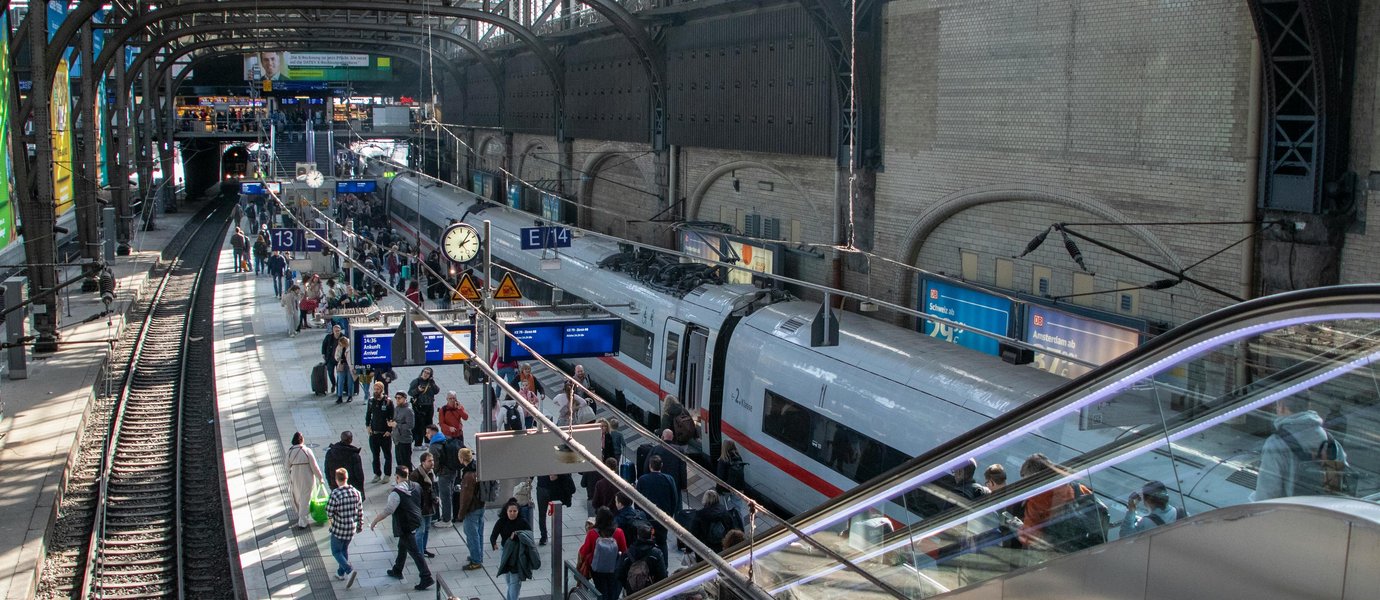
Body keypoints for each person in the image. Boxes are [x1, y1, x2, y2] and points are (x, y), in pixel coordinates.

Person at [1255, 396, 1349, 500]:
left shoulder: (1275, 444)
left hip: (1295, 509)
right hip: (1326, 508)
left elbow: (1266, 495)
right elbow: (1343, 481)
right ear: (1308, 405)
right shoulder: (1330, 441)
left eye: (1276, 405)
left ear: (1281, 406)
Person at [369, 467, 434, 591]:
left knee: (415, 552)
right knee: (402, 546)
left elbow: (388, 510)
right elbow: (421, 502)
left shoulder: (396, 493)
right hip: (415, 520)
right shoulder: (416, 486)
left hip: (404, 525)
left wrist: (375, 521)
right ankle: (397, 569)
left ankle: (426, 576)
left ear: (397, 476)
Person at [635, 454, 680, 559]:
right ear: (662, 465)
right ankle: (664, 564)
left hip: (647, 518)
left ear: (650, 466)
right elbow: (675, 498)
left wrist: (639, 515)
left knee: (646, 541)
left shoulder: (642, 480)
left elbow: (637, 500)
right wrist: (670, 514)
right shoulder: (669, 479)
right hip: (663, 517)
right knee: (662, 542)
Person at [578, 507, 628, 600]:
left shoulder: (592, 533)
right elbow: (624, 550)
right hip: (613, 567)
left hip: (597, 568)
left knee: (601, 590)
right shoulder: (619, 532)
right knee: (612, 590)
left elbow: (584, 552)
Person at [325, 467, 363, 587]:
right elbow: (360, 511)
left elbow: (329, 511)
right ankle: (340, 573)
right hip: (351, 529)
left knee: (336, 551)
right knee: (344, 549)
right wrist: (360, 525)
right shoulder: (356, 492)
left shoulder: (335, 493)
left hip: (338, 529)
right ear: (347, 478)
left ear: (337, 479)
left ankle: (349, 570)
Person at [494, 500, 538, 600]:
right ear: (506, 511)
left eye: (515, 511)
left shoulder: (522, 522)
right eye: (510, 511)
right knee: (509, 580)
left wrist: (518, 536)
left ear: (518, 511)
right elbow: (494, 534)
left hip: (517, 552)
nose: (512, 513)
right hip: (505, 551)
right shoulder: (502, 521)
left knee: (514, 580)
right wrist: (494, 543)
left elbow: (529, 536)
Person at [456, 447, 487, 570]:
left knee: (471, 535)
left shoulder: (468, 475)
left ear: (461, 458)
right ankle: (478, 555)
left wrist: (461, 513)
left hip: (472, 508)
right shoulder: (477, 468)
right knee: (479, 533)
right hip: (481, 505)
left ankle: (476, 560)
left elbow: (466, 497)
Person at [285, 432, 324, 529]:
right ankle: (302, 521)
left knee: (298, 497)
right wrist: (320, 477)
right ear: (302, 440)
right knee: (305, 498)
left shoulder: (290, 451)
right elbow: (315, 466)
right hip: (307, 477)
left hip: (295, 477)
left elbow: (286, 466)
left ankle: (301, 516)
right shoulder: (307, 450)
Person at [619, 523, 667, 595]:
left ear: (638, 536)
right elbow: (662, 575)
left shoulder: (628, 553)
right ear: (651, 536)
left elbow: (620, 574)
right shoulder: (656, 553)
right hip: (651, 590)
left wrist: (628, 585)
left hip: (631, 591)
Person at [411, 451, 440, 558]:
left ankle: (423, 549)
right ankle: (419, 553)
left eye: (432, 460)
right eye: (429, 461)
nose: (432, 463)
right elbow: (412, 492)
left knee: (427, 528)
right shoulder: (415, 475)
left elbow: (432, 488)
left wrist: (435, 497)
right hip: (420, 507)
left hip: (428, 506)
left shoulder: (430, 472)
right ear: (423, 462)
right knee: (420, 530)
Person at [324, 431, 366, 501]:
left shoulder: (330, 453)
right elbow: (359, 474)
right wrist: (361, 490)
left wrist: (330, 484)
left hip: (335, 485)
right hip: (351, 488)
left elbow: (327, 470)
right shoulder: (354, 456)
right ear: (350, 440)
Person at [691, 489, 736, 554]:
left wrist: (688, 549)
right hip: (724, 544)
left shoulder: (700, 514)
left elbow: (694, 533)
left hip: (706, 548)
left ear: (705, 500)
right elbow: (731, 527)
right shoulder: (724, 511)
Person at [535, 472, 575, 545]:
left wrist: (558, 475)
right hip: (543, 487)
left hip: (553, 487)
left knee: (555, 512)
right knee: (542, 514)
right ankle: (544, 536)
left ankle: (553, 535)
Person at [365, 383, 394, 481]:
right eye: (374, 389)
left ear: (382, 390)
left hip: (385, 434)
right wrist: (368, 426)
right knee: (375, 456)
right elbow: (368, 414)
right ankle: (377, 474)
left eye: (378, 389)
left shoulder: (388, 402)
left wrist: (389, 430)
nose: (375, 391)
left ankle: (387, 474)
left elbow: (392, 417)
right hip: (374, 433)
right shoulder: (371, 401)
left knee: (387, 455)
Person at [647, 429, 688, 496]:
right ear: (672, 437)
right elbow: (683, 469)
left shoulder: (655, 449)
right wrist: (684, 486)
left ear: (662, 437)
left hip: (658, 482)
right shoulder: (679, 450)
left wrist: (647, 479)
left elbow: (647, 465)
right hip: (675, 484)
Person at [408, 368, 441, 448]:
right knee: (419, 425)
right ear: (422, 372)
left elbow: (436, 391)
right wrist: (418, 390)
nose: (425, 374)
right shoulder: (416, 381)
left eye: (428, 373)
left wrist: (432, 382)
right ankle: (418, 444)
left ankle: (428, 441)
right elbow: (410, 392)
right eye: (424, 372)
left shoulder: (431, 382)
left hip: (429, 405)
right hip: (419, 406)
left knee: (429, 424)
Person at [391, 392, 416, 469]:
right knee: (399, 463)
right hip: (397, 440)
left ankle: (409, 476)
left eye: (399, 398)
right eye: (396, 398)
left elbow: (410, 425)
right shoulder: (396, 408)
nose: (397, 400)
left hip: (405, 440)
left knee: (406, 463)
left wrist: (397, 425)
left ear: (405, 398)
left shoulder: (408, 410)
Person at [321, 324, 344, 396]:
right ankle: (334, 384)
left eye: (338, 331)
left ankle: (339, 387)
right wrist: (323, 353)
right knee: (330, 373)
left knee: (339, 373)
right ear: (333, 331)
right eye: (336, 331)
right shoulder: (329, 337)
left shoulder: (343, 338)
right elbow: (324, 345)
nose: (337, 332)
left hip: (339, 359)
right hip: (330, 358)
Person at [333, 337, 355, 402]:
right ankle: (339, 396)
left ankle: (350, 396)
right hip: (342, 364)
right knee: (340, 381)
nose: (341, 346)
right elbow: (336, 355)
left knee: (350, 381)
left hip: (350, 365)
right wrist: (338, 358)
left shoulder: (351, 345)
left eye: (342, 345)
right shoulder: (339, 346)